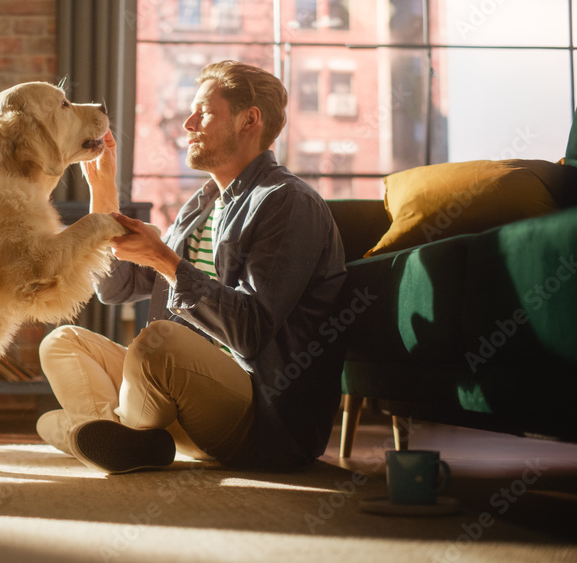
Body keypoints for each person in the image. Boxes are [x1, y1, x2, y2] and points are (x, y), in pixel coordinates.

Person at [36, 60, 348, 473]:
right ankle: (122, 438)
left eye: (203, 112)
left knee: (157, 341)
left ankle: (98, 431)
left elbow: (251, 331)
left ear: (248, 120)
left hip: (258, 418)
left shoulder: (286, 203)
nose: (187, 123)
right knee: (63, 343)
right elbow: (115, 288)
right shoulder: (201, 206)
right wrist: (104, 186)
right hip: (184, 400)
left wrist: (164, 259)